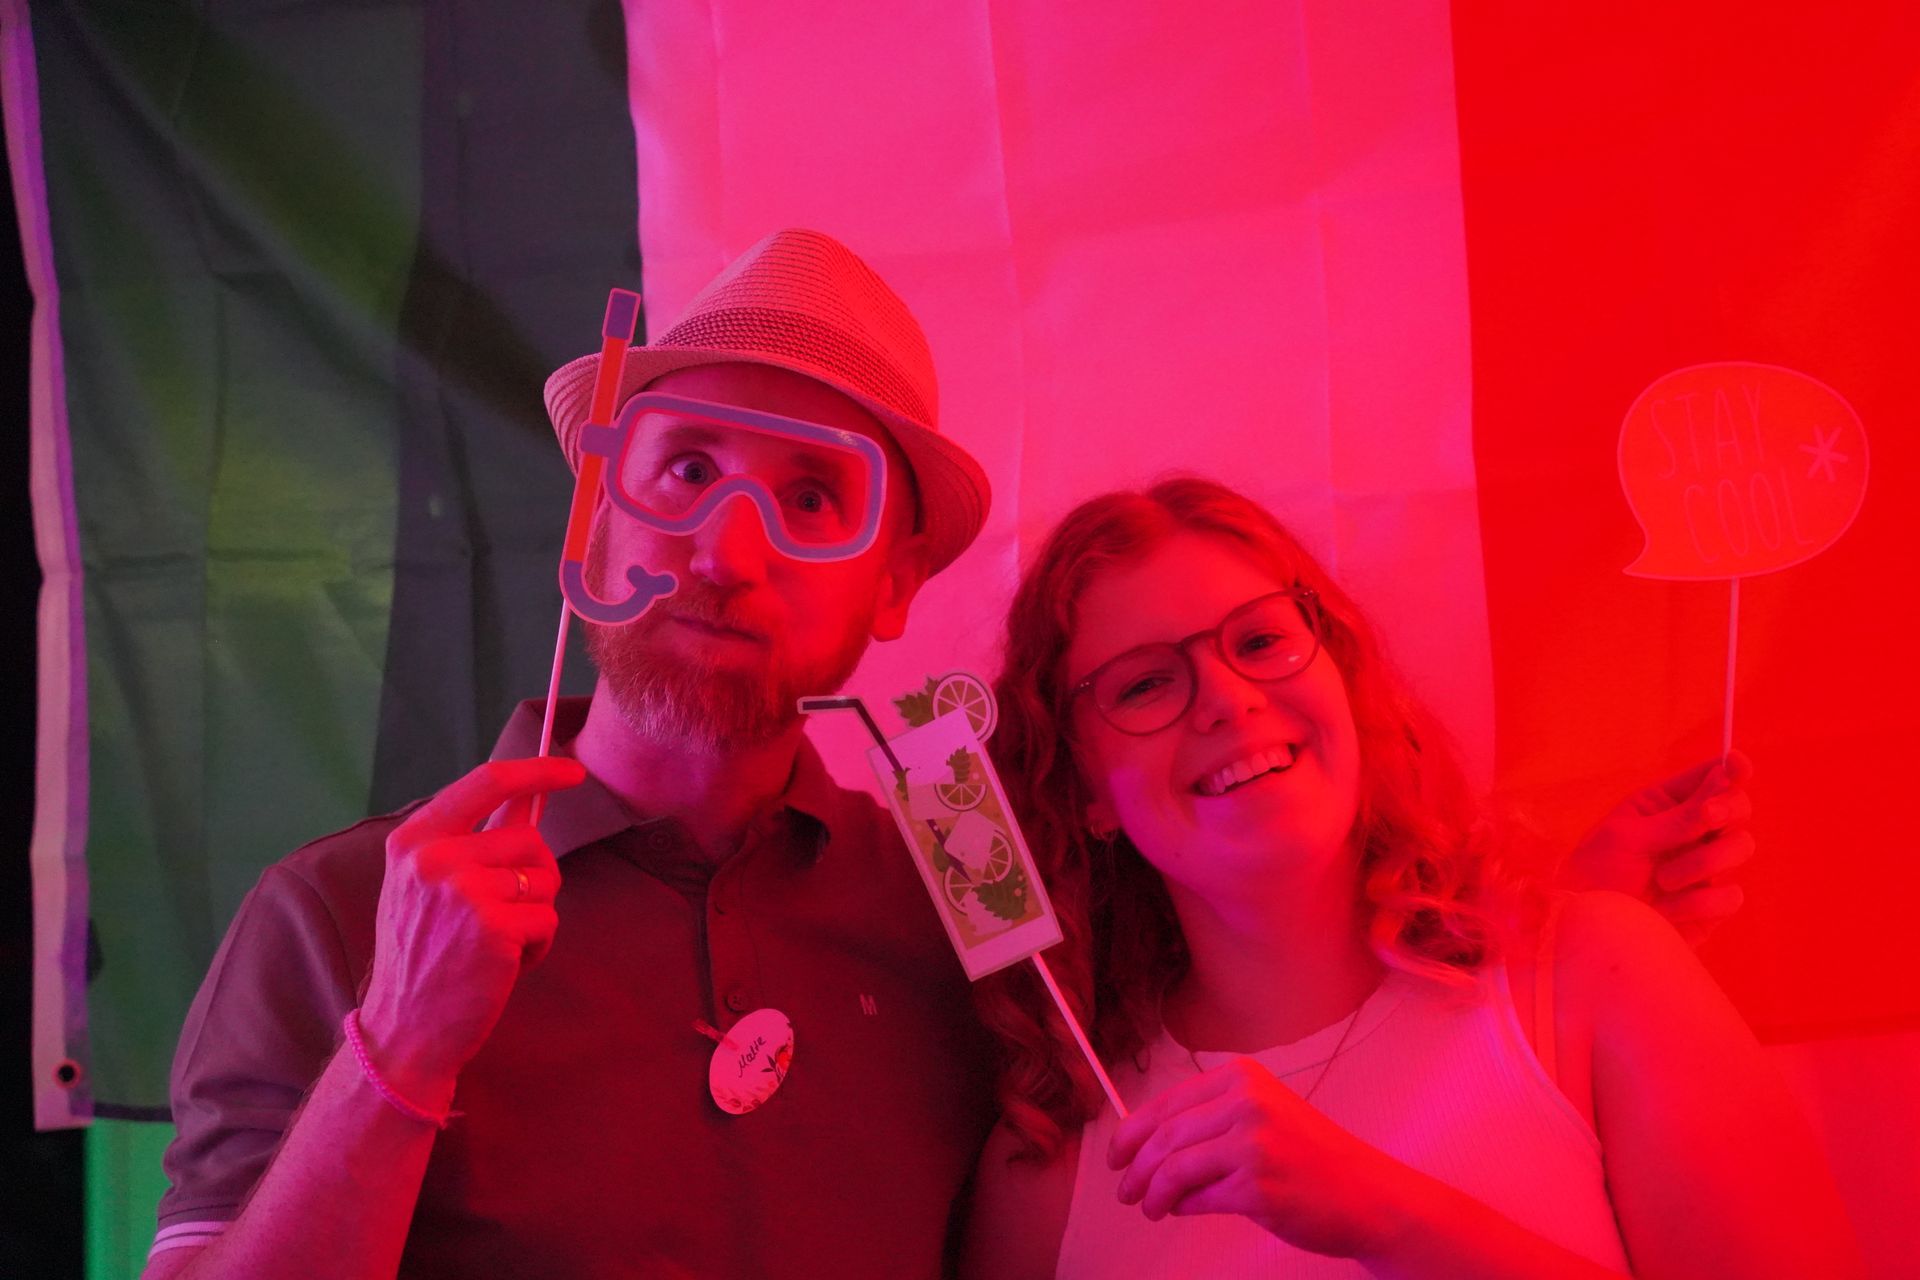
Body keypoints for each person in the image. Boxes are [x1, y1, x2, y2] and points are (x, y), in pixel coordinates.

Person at [141, 228, 1001, 1279]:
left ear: (895, 585)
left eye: (812, 496)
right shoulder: (336, 911)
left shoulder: (955, 922)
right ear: (595, 512)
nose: (727, 554)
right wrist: (397, 1046)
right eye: (689, 468)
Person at [960, 478, 1859, 1278]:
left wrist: (1386, 1216)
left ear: (1344, 680)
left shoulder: (1596, 973)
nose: (1228, 697)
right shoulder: (1050, 1164)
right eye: (1145, 685)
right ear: (1083, 789)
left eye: (1261, 639)